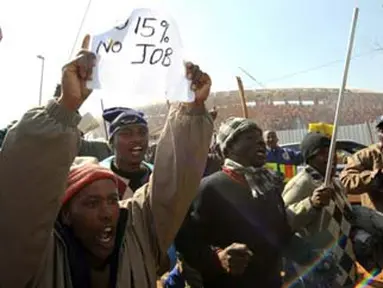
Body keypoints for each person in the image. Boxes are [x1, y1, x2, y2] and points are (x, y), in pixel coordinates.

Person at [0, 36, 213, 288]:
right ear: (65, 213)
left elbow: (174, 186)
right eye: (91, 202)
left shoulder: (137, 228)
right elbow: (25, 189)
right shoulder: (36, 256)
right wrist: (65, 107)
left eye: (113, 200)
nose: (108, 213)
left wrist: (190, 109)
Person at [174, 117, 292, 287]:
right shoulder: (208, 188)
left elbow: (282, 232)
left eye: (260, 137)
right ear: (229, 148)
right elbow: (187, 243)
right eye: (250, 138)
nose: (260, 142)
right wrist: (218, 257)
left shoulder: (268, 185)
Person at [282, 132, 357, 287]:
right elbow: (284, 222)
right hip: (320, 265)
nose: (330, 158)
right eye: (322, 153)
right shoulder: (301, 183)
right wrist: (311, 204)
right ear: (310, 158)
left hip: (344, 258)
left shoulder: (335, 182)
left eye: (332, 152)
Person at [100, 107, 153, 200]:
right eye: (126, 134)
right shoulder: (99, 178)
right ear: (111, 142)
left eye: (142, 132)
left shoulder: (158, 176)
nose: (137, 139)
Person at [340, 116, 383, 212]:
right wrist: (372, 178)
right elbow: (345, 181)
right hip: (378, 219)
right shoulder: (367, 155)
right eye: (382, 130)